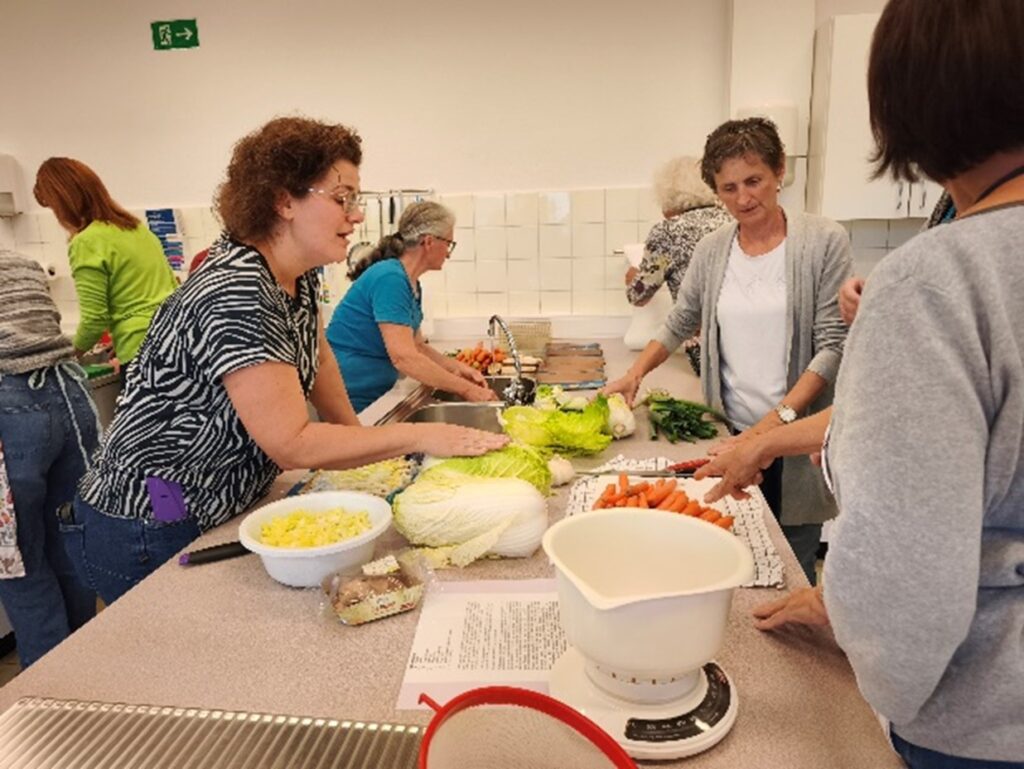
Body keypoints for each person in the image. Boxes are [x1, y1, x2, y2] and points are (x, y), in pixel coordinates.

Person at [707, 1, 1024, 764]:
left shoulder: (937, 276)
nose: (742, 197)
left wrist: (859, 630)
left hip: (984, 716)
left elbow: (907, 574)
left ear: (906, 107)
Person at [66, 117, 507, 605]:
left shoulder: (298, 278)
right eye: (342, 198)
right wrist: (422, 435)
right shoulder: (238, 289)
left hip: (222, 501)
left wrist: (359, 445)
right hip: (152, 516)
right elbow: (292, 443)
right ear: (283, 200)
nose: (356, 216)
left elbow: (319, 362)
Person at [604, 117, 851, 584]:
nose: (743, 199)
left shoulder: (823, 241)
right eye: (729, 187)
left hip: (796, 442)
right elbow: (680, 319)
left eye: (754, 181)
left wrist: (773, 426)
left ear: (779, 171)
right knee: (733, 554)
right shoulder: (714, 248)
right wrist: (636, 373)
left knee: (790, 565)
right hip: (733, 430)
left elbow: (831, 347)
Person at [0, 250, 99, 667]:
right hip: (67, 395)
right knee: (69, 540)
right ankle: (84, 672)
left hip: (9, 406)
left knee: (20, 561)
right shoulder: (20, 261)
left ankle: (51, 695)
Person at [327, 201, 498, 413]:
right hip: (352, 396)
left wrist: (458, 368)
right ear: (428, 242)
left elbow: (417, 346)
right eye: (448, 244)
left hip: (374, 394)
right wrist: (467, 390)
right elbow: (404, 357)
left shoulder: (411, 282)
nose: (448, 253)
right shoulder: (390, 278)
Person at [33, 158, 178, 367]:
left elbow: (94, 321)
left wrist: (65, 359)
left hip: (141, 349)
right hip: (174, 339)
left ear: (65, 203)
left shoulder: (86, 242)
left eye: (54, 208)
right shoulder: (136, 228)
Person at [623, 156, 732, 375]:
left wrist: (633, 277)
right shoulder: (732, 220)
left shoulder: (668, 232)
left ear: (668, 198)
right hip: (746, 347)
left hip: (708, 355)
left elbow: (639, 296)